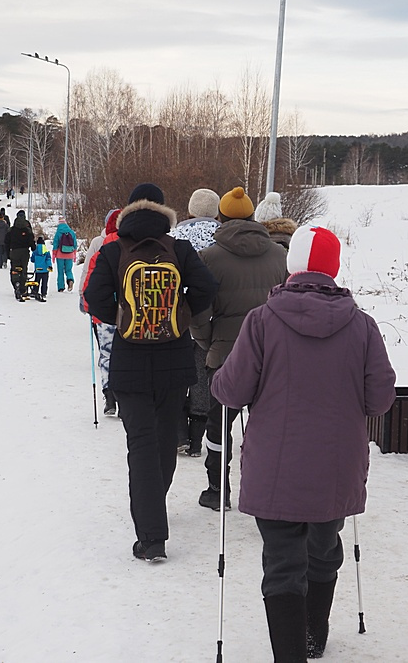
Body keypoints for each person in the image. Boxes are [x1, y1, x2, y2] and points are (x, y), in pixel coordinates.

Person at [211, 225, 396, 661]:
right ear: (333, 268)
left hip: (274, 468)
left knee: (281, 561)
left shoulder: (261, 321)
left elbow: (232, 392)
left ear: (292, 265)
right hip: (335, 468)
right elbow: (380, 399)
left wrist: (220, 377)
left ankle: (290, 653)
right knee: (324, 547)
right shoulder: (363, 326)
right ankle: (315, 631)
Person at [84, 182, 217, 562]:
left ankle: (151, 536)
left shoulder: (113, 250)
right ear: (163, 213)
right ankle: (154, 507)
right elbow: (207, 287)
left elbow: (93, 298)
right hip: (174, 359)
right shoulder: (179, 249)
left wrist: (124, 319)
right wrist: (181, 315)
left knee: (140, 446)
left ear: (128, 212)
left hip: (130, 362)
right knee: (163, 442)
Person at [190, 186, 288, 511]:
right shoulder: (279, 256)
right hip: (272, 355)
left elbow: (199, 312)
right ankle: (268, 488)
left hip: (224, 354)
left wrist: (209, 343)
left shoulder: (210, 257)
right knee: (271, 426)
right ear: (251, 216)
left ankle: (218, 490)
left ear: (221, 218)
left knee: (219, 425)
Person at [170, 188, 221, 456]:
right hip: (209, 318)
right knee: (202, 377)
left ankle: (179, 434)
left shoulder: (172, 238)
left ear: (189, 210)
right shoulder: (222, 238)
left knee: (178, 374)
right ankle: (197, 438)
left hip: (176, 318)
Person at [80, 209, 123, 416]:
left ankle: (109, 396)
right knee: (125, 353)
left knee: (106, 354)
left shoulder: (102, 248)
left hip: (104, 315)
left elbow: (90, 279)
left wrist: (86, 303)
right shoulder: (133, 248)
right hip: (128, 314)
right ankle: (125, 396)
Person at [5, 212, 35, 300]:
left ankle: (16, 283)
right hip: (25, 252)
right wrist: (33, 248)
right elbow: (31, 241)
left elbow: (6, 242)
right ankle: (23, 288)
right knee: (24, 269)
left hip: (14, 252)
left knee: (15, 268)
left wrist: (8, 254)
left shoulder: (11, 230)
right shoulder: (27, 230)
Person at [53, 217, 78, 292]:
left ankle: (61, 287)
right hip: (70, 254)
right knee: (68, 270)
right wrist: (74, 253)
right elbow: (75, 244)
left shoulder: (58, 232)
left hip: (60, 254)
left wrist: (54, 253)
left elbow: (55, 243)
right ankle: (70, 280)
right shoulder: (71, 232)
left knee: (60, 271)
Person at [30, 236, 53, 302]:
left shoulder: (35, 251)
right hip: (45, 270)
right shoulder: (46, 251)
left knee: (37, 281)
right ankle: (44, 293)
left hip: (38, 269)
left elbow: (32, 260)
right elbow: (48, 260)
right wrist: (49, 266)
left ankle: (35, 291)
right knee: (44, 282)